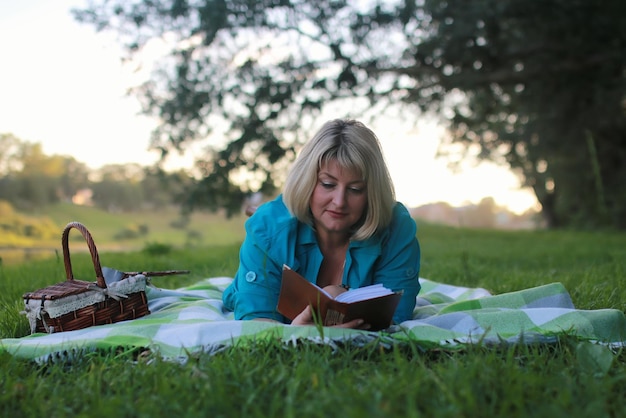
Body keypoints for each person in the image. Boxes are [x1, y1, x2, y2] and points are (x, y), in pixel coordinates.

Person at [222, 119, 421, 329]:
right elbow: (256, 319)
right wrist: (298, 333)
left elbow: (397, 315)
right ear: (307, 181)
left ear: (371, 193)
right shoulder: (266, 228)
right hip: (269, 243)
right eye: (328, 184)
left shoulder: (396, 226)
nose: (339, 202)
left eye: (355, 189)